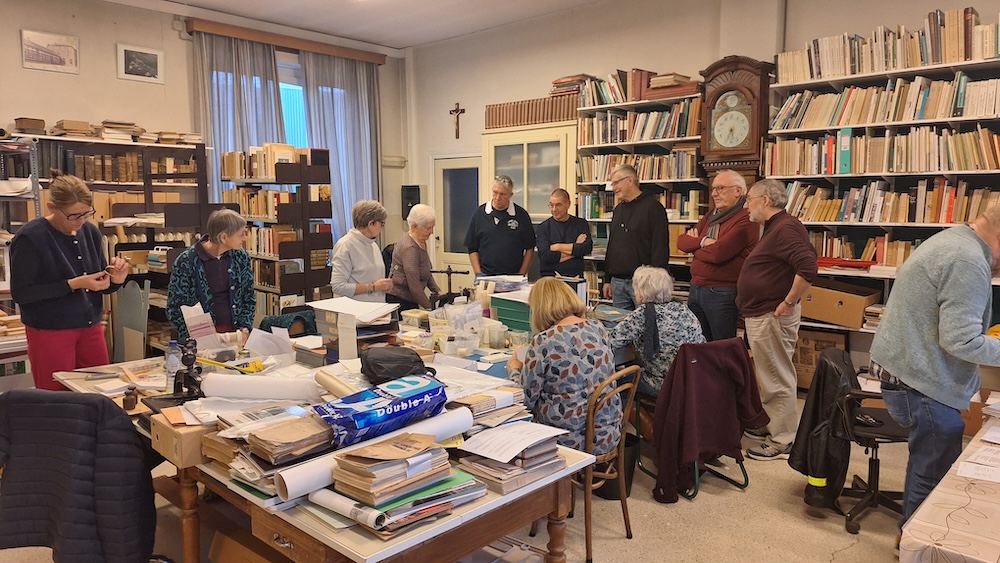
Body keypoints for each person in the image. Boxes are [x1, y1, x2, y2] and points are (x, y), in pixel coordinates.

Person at [870, 207, 1000, 531]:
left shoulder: (955, 240)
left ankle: (911, 533)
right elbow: (962, 341)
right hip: (919, 381)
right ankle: (914, 541)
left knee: (928, 461)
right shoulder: (968, 260)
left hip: (906, 370)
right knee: (933, 471)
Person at [10, 170, 130, 390]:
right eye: (74, 216)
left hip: (90, 326)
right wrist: (73, 284)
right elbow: (22, 294)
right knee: (56, 396)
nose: (81, 221)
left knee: (100, 390)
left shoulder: (90, 232)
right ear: (52, 207)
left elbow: (98, 283)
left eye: (86, 213)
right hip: (50, 330)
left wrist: (115, 280)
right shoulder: (31, 237)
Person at [736, 179, 818, 461]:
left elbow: (808, 266)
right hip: (764, 313)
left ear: (765, 200)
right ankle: (773, 424)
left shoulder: (784, 228)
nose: (746, 206)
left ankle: (783, 439)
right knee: (769, 375)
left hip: (771, 314)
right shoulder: (778, 226)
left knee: (776, 376)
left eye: (749, 199)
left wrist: (789, 301)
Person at [505, 277, 621, 455]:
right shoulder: (598, 328)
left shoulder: (543, 341)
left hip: (567, 440)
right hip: (606, 434)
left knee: (508, 426)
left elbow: (525, 401)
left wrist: (514, 369)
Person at [676, 170, 759, 341]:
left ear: (737, 191)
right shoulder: (711, 216)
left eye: (720, 188)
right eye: (713, 189)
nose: (714, 194)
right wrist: (704, 242)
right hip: (696, 287)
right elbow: (681, 242)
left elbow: (718, 253)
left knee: (722, 346)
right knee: (698, 342)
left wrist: (695, 244)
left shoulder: (746, 219)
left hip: (721, 292)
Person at [609, 266, 705, 398]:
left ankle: (629, 412)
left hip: (663, 383)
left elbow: (611, 341)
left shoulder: (643, 314)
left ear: (641, 292)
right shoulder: (683, 309)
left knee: (615, 386)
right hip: (694, 379)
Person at [167, 208, 255, 343]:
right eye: (241, 234)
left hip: (235, 334)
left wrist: (245, 328)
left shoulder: (241, 257)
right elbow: (175, 307)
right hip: (199, 339)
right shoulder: (186, 261)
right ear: (224, 237)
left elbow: (248, 296)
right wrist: (198, 337)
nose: (245, 238)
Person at [601, 164, 670, 310]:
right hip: (617, 283)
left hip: (643, 284)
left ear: (630, 181)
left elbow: (660, 247)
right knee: (620, 324)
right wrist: (607, 279)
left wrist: (654, 283)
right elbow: (612, 245)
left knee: (646, 323)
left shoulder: (653, 208)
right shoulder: (618, 210)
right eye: (612, 184)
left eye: (616, 183)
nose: (613, 188)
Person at [464, 175, 536, 276]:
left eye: (502, 194)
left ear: (511, 195)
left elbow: (530, 248)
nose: (497, 198)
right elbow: (472, 247)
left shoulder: (521, 215)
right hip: (486, 274)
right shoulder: (479, 214)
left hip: (513, 275)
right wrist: (478, 273)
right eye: (495, 192)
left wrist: (521, 274)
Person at [330, 200, 393, 303]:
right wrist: (372, 287)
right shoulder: (345, 245)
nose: (382, 228)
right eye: (382, 223)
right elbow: (338, 286)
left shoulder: (373, 244)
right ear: (371, 224)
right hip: (355, 310)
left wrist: (384, 286)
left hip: (376, 308)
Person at [387, 204, 442, 311]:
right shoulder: (410, 248)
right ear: (414, 226)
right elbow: (414, 286)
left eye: (432, 227)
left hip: (411, 299)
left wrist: (438, 291)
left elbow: (426, 272)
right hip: (401, 300)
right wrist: (431, 309)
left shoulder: (421, 241)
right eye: (428, 228)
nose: (432, 232)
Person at [535, 188, 592, 278]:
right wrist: (576, 247)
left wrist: (557, 247)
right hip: (550, 279)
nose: (554, 209)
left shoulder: (580, 224)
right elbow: (545, 256)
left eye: (558, 205)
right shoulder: (543, 227)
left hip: (575, 277)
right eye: (551, 205)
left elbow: (587, 248)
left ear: (568, 204)